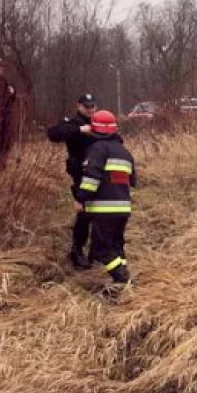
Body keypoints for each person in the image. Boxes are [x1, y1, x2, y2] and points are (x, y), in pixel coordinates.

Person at [74, 109, 136, 285]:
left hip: (104, 209)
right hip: (123, 208)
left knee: (101, 249)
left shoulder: (97, 149)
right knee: (116, 245)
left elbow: (91, 179)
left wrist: (80, 199)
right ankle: (121, 278)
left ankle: (121, 277)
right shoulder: (124, 152)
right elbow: (133, 180)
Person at [47, 94, 99, 269]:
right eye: (87, 106)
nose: (90, 109)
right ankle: (77, 251)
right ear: (79, 106)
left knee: (100, 212)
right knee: (84, 212)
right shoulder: (73, 122)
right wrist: (80, 130)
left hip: (99, 172)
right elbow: (53, 134)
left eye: (93, 106)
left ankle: (97, 251)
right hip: (80, 173)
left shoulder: (100, 121)